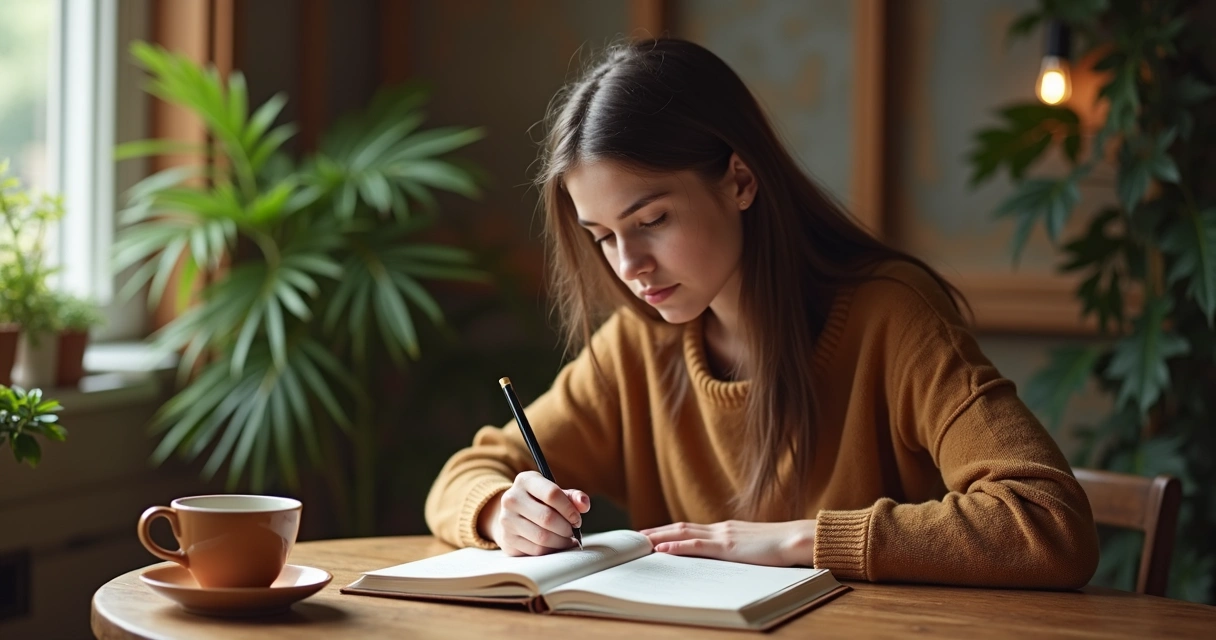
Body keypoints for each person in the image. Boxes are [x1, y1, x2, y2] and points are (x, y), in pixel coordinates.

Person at [425, 37, 1099, 589]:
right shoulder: (638, 346)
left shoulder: (890, 318)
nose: (629, 266)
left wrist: (797, 540)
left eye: (652, 219)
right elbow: (463, 475)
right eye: (602, 237)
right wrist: (499, 510)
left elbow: (1047, 521)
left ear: (740, 181)